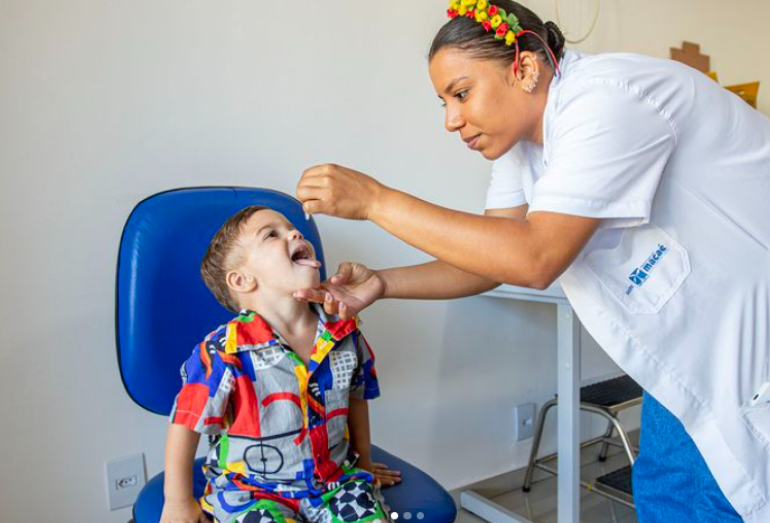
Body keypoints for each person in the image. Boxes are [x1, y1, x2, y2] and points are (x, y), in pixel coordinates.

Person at [294, 1, 770, 522]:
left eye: (461, 93)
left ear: (524, 67)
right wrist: (382, 283)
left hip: (749, 330)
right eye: (443, 103)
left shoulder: (607, 99)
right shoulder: (525, 147)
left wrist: (376, 201)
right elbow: (492, 259)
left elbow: (534, 256)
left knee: (715, 502)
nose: (452, 120)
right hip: (699, 345)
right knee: (666, 491)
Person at [160, 206, 398, 523]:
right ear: (242, 280)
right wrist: (176, 502)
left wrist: (364, 459)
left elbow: (356, 396)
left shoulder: (343, 331)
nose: (295, 233)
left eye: (291, 228)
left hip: (336, 483)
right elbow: (187, 420)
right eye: (272, 234)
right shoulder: (224, 350)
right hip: (253, 493)